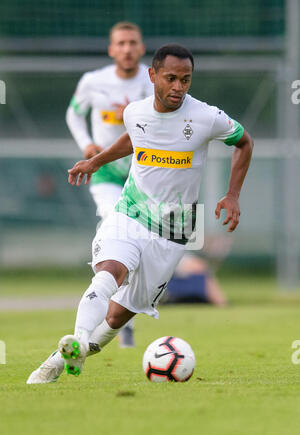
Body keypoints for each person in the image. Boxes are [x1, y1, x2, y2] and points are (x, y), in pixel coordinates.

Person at [27, 44, 253, 384]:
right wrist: (96, 161)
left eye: (186, 80)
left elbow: (244, 142)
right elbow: (134, 138)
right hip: (130, 213)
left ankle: (67, 356)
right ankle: (71, 346)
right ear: (154, 76)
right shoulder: (135, 111)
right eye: (171, 78)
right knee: (110, 271)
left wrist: (233, 194)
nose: (179, 87)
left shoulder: (206, 116)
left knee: (117, 316)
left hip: (174, 231)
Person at [66, 22, 153, 348]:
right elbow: (73, 114)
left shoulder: (154, 79)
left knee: (143, 240)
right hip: (104, 171)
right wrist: (87, 144)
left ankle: (122, 309)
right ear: (111, 49)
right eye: (121, 43)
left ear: (142, 48)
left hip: (142, 173)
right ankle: (107, 304)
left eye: (133, 42)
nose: (127, 48)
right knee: (114, 221)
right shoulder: (93, 81)